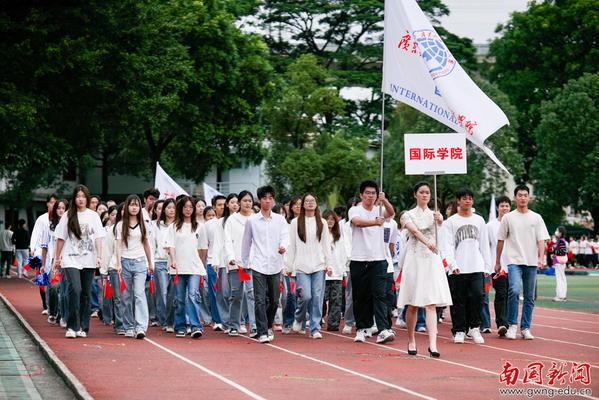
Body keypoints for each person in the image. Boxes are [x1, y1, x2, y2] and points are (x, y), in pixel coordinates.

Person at [397, 181, 452, 358]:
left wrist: (440, 221)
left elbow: (441, 235)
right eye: (421, 192)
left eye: (427, 192)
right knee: (413, 303)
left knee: (431, 303)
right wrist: (428, 242)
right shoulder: (408, 215)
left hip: (431, 260)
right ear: (415, 195)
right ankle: (411, 340)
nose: (424, 195)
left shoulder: (436, 215)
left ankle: (433, 344)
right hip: (415, 259)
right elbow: (415, 231)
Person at [495, 185, 549, 340]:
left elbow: (541, 239)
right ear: (515, 198)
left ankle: (525, 328)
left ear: (529, 198)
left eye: (525, 195)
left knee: (529, 296)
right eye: (520, 195)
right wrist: (498, 261)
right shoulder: (508, 218)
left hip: (531, 261)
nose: (523, 198)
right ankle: (512, 325)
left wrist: (541, 257)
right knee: (513, 291)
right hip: (514, 261)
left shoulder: (536, 218)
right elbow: (500, 240)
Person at [53, 185, 105, 338]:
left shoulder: (93, 216)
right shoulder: (68, 215)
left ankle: (83, 326)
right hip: (71, 258)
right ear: (74, 198)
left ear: (87, 198)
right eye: (78, 196)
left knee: (85, 293)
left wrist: (99, 256)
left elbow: (98, 238)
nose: (81, 199)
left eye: (83, 196)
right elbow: (60, 238)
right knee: (75, 289)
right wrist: (57, 258)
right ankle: (71, 326)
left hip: (89, 259)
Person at [348, 180, 395, 344]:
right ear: (361, 195)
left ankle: (383, 329)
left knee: (380, 295)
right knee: (360, 297)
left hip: (379, 260)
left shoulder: (379, 209)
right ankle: (361, 328)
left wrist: (384, 200)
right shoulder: (355, 210)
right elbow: (357, 222)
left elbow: (391, 212)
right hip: (359, 259)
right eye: (367, 193)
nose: (370, 196)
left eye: (373, 193)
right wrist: (375, 222)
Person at [241, 185, 289, 344]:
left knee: (274, 300)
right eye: (264, 198)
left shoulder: (280, 220)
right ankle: (262, 332)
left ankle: (268, 325)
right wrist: (244, 262)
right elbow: (246, 242)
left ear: (273, 200)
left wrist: (283, 246)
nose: (268, 201)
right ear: (259, 200)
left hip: (275, 264)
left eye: (270, 198)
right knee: (259, 300)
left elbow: (285, 236)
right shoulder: (252, 220)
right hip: (258, 265)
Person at [444, 188, 492, 345]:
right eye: (464, 198)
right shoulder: (451, 222)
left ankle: (474, 328)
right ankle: (459, 330)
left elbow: (484, 244)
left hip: (476, 266)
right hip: (458, 268)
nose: (468, 201)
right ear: (458, 201)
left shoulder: (479, 220)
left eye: (470, 198)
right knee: (458, 300)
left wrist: (487, 266)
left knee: (478, 296)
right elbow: (448, 246)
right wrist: (452, 264)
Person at [286, 193, 332, 339]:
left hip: (319, 265)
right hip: (302, 266)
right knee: (305, 296)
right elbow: (292, 246)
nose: (310, 203)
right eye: (307, 201)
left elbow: (326, 245)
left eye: (313, 201)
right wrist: (289, 266)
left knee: (317, 297)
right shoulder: (296, 222)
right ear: (303, 205)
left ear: (316, 204)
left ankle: (314, 328)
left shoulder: (322, 222)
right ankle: (299, 317)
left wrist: (329, 265)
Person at [165, 196, 209, 339]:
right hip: (178, 268)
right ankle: (180, 326)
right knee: (179, 298)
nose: (188, 209)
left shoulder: (199, 226)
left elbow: (203, 247)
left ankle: (196, 326)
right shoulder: (173, 226)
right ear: (180, 208)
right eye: (185, 207)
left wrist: (202, 264)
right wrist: (173, 260)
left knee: (193, 296)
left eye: (191, 207)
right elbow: (170, 245)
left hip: (194, 268)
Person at [116, 195, 154, 339]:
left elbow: (146, 244)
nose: (134, 207)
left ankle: (141, 327)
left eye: (136, 205)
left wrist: (150, 263)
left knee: (139, 294)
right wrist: (118, 263)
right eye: (131, 205)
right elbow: (119, 245)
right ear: (127, 207)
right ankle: (128, 326)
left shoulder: (144, 224)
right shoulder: (121, 225)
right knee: (125, 296)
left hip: (139, 262)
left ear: (140, 208)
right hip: (125, 262)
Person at [224, 191, 256, 337]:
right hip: (236, 263)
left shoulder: (255, 219)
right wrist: (231, 257)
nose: (247, 203)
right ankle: (233, 325)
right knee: (236, 295)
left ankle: (254, 326)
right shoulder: (232, 219)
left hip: (252, 264)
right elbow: (227, 241)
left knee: (252, 295)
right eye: (244, 201)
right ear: (239, 203)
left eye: (250, 201)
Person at [40, 198, 69, 325]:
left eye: (64, 208)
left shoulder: (71, 225)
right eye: (59, 208)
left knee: (64, 290)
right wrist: (43, 264)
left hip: (67, 259)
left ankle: (63, 316)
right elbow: (45, 247)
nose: (61, 211)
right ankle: (52, 312)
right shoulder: (49, 227)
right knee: (54, 287)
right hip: (54, 260)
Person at [486, 196, 511, 336]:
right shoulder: (490, 226)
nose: (505, 208)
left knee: (511, 295)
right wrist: (489, 265)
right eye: (502, 206)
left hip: (513, 266)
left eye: (507, 206)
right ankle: (502, 323)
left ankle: (510, 323)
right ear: (497, 208)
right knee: (501, 294)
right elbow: (486, 246)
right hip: (497, 267)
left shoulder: (514, 224)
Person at [150, 198, 176, 331]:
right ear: (164, 210)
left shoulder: (179, 225)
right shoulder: (157, 226)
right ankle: (165, 321)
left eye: (174, 208)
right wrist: (151, 263)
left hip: (175, 263)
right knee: (162, 292)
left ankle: (173, 319)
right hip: (160, 262)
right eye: (169, 207)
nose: (171, 210)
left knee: (174, 293)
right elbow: (152, 245)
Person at [100, 203, 125, 334]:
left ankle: (130, 323)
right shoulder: (113, 230)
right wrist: (104, 270)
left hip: (132, 266)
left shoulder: (138, 227)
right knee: (117, 297)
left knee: (129, 297)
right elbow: (107, 250)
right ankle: (119, 325)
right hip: (115, 266)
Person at [322, 209, 347, 331]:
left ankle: (333, 324)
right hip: (323, 273)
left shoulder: (338, 237)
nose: (330, 221)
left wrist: (343, 271)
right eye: (328, 219)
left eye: (332, 219)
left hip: (337, 274)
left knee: (336, 301)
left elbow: (343, 254)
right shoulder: (320, 236)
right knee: (321, 299)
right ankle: (318, 319)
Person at [342, 197, 361, 334]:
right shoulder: (348, 226)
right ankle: (348, 322)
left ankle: (365, 322)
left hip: (368, 263)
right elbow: (347, 245)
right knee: (352, 295)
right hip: (353, 264)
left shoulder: (370, 223)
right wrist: (352, 259)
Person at [552, 226, 568, 302]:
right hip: (560, 262)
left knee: (560, 279)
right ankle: (561, 295)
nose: (556, 232)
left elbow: (562, 252)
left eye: (557, 230)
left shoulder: (561, 241)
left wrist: (554, 251)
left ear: (560, 233)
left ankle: (561, 295)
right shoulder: (562, 240)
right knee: (561, 278)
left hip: (559, 262)